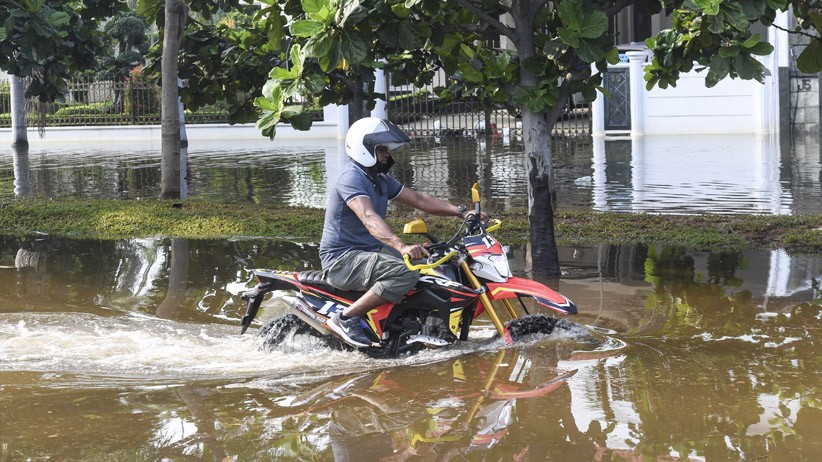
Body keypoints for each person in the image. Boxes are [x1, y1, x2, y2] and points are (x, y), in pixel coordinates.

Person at [320, 117, 485, 348]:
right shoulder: (351, 178)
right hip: (342, 259)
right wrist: (401, 246)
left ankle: (422, 325)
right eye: (382, 150)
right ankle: (346, 319)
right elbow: (369, 217)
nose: (388, 155)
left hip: (369, 252)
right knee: (404, 273)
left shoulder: (379, 179)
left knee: (435, 264)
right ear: (365, 149)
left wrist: (461, 212)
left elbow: (419, 199)